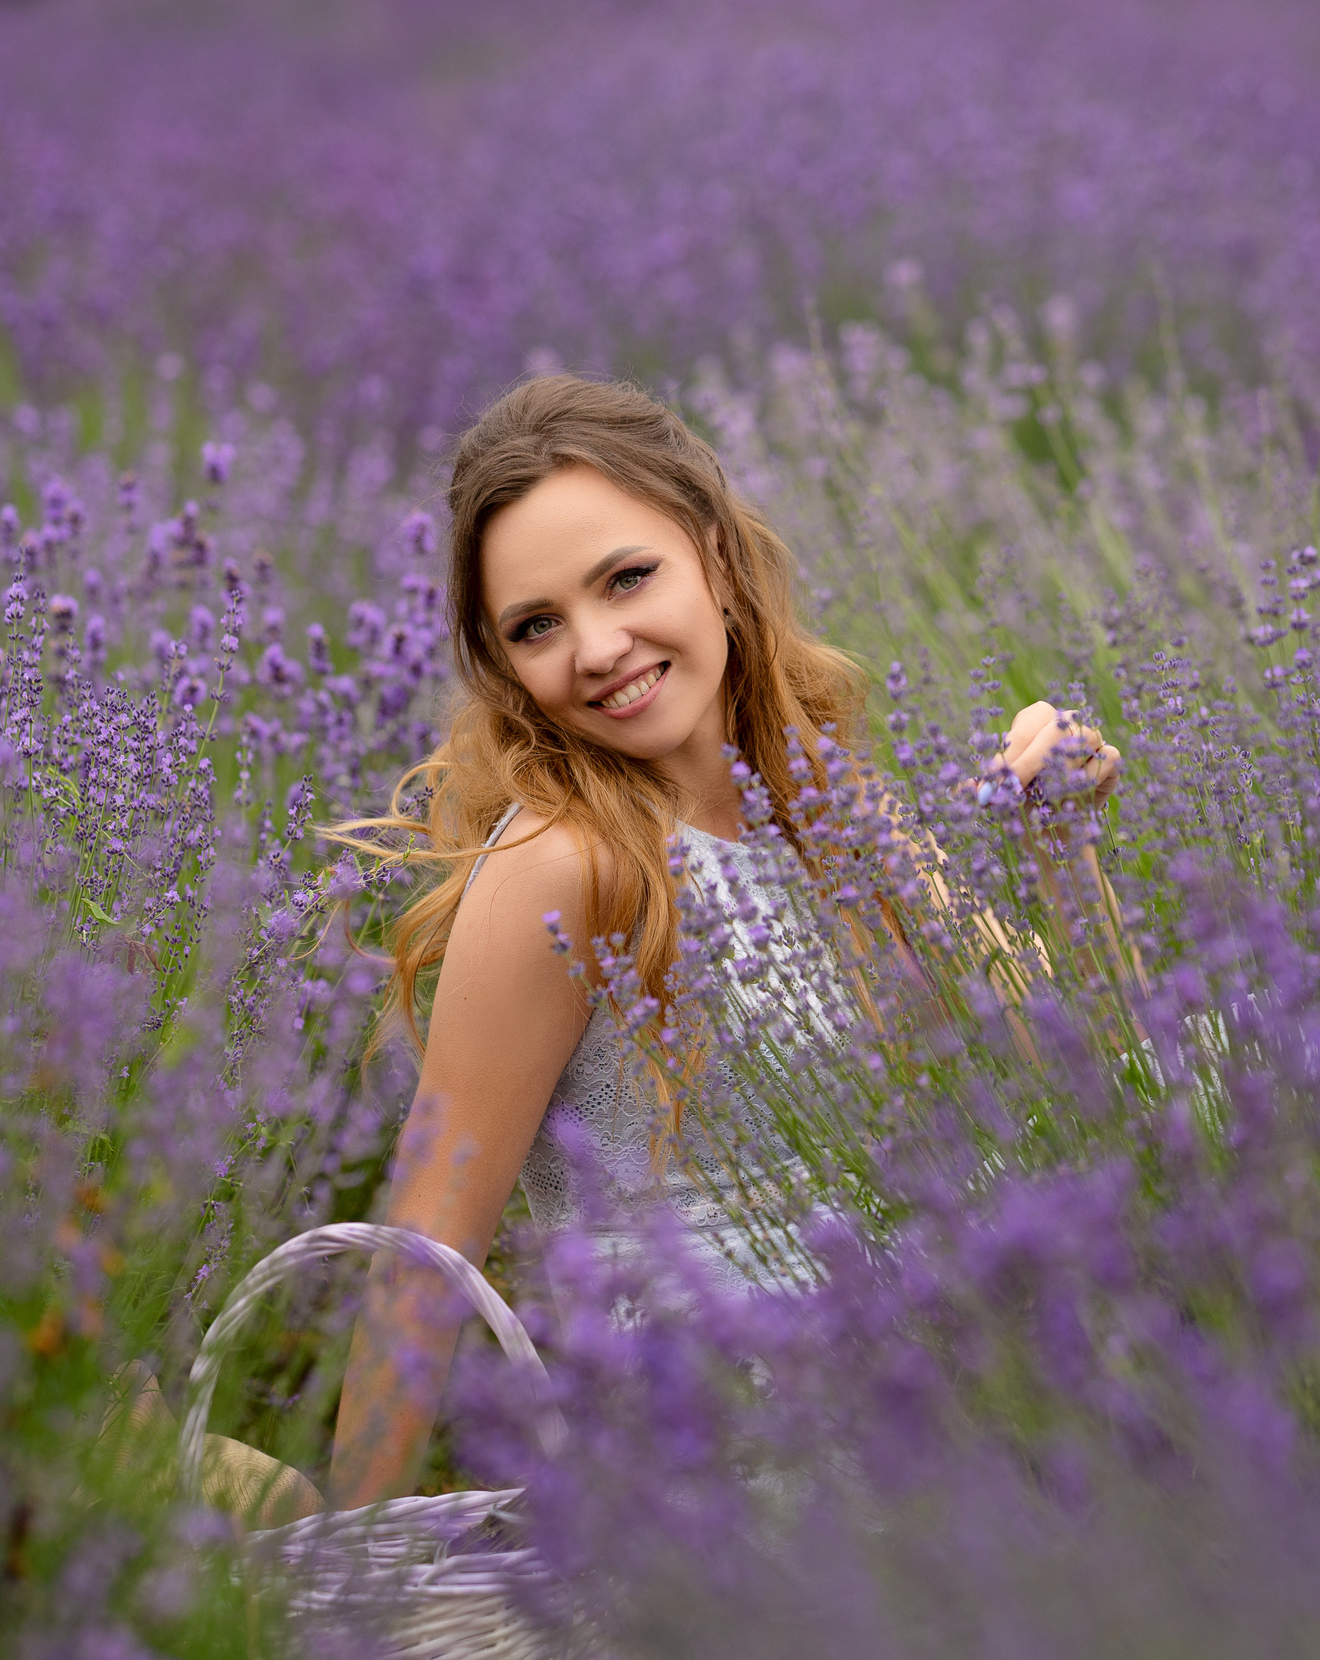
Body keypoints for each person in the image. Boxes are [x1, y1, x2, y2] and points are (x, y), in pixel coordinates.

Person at [319, 373, 1123, 1508]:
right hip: (737, 1476)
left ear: (714, 555)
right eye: (536, 626)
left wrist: (1061, 847)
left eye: (626, 578)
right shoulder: (565, 861)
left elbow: (1091, 1086)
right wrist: (355, 1582)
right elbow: (424, 1256)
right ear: (503, 665)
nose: (596, 648)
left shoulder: (827, 804)